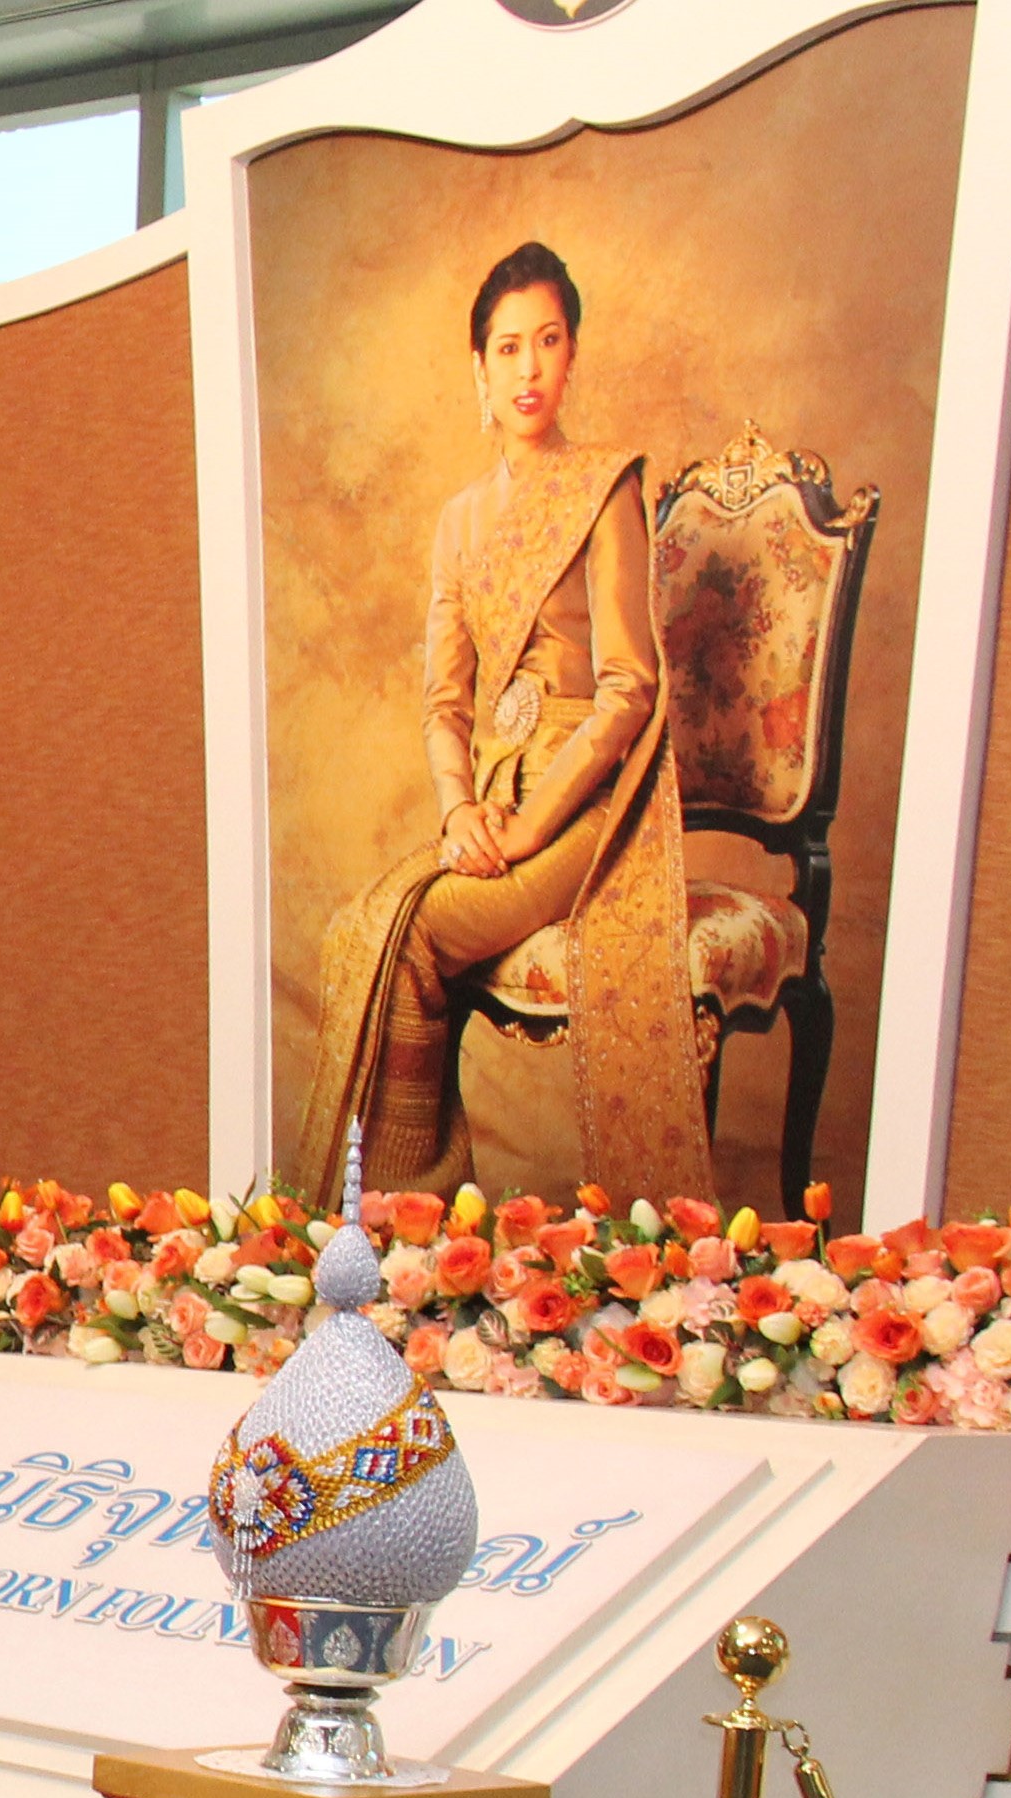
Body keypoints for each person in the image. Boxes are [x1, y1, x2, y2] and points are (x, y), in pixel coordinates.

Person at [296, 242, 711, 1204]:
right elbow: (442, 703)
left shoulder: (604, 489)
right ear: (478, 367)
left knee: (413, 933)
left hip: (589, 807)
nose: (529, 369)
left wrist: (526, 829)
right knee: (362, 928)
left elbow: (628, 690)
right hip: (489, 800)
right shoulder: (458, 521)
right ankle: (419, 1210)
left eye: (548, 341)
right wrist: (459, 812)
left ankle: (409, 1208)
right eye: (508, 347)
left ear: (572, 354)